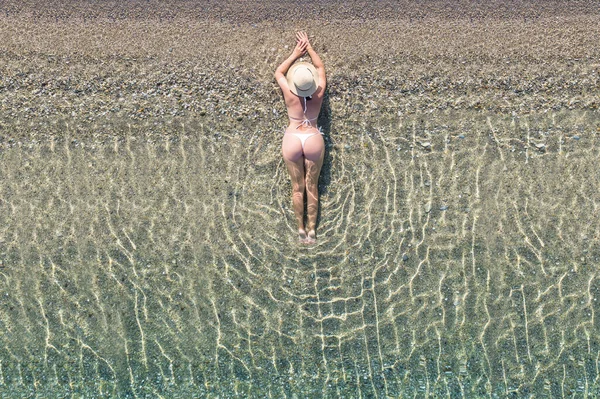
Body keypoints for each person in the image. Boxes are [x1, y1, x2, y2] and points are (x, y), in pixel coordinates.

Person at [274, 31, 326, 244]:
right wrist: (310, 48)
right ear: (312, 83)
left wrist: (296, 53)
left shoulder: (288, 92)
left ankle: (300, 229)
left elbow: (279, 71)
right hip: (312, 136)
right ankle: (313, 231)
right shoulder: (320, 93)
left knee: (298, 188)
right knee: (312, 186)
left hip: (293, 136)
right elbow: (321, 68)